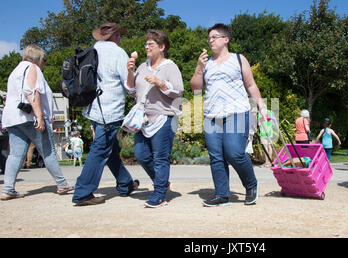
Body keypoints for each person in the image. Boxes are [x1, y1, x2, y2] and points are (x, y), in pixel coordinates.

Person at [190, 23, 267, 207]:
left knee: (234, 152)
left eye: (214, 37)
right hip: (211, 115)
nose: (210, 41)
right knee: (216, 156)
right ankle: (222, 195)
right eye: (209, 38)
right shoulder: (206, 64)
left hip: (237, 112)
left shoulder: (239, 59)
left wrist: (261, 106)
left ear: (226, 39)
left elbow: (250, 85)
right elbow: (196, 88)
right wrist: (199, 67)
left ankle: (250, 185)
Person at [72, 22, 140, 206]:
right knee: (101, 149)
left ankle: (125, 183)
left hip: (92, 108)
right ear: (116, 36)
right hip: (109, 110)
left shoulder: (92, 50)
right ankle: (83, 192)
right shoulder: (118, 53)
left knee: (111, 149)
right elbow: (128, 85)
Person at [1, 45, 74, 200]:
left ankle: (8, 189)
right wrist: (40, 116)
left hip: (12, 117)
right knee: (48, 151)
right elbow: (32, 93)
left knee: (15, 154)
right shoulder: (32, 68)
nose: (44, 64)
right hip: (29, 117)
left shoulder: (15, 72)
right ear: (38, 59)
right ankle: (62, 184)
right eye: (44, 60)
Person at [126, 29, 183, 208]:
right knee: (141, 154)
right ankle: (162, 182)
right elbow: (132, 90)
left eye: (151, 44)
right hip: (143, 119)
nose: (146, 47)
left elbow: (179, 91)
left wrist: (160, 83)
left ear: (162, 47)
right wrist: (130, 71)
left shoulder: (170, 67)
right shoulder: (142, 67)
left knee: (160, 157)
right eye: (146, 44)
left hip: (164, 117)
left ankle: (159, 194)